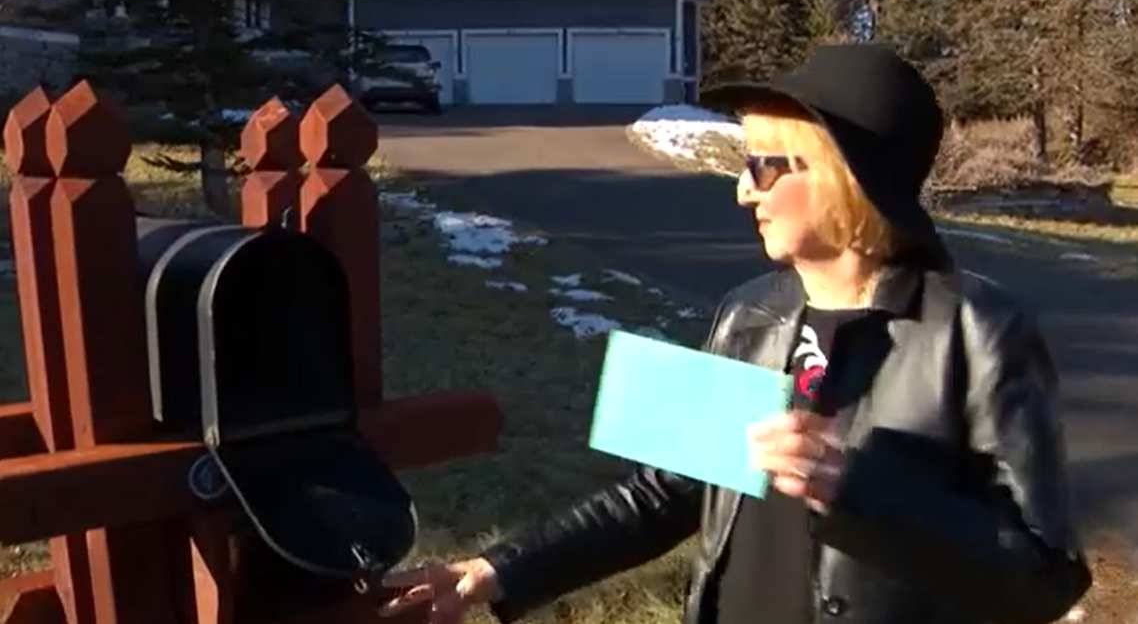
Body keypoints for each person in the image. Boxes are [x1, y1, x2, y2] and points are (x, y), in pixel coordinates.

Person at [376, 43, 1093, 624]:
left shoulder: (975, 329)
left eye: (762, 166)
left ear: (844, 176)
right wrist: (500, 569)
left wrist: (866, 486)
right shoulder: (749, 312)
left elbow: (1044, 576)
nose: (742, 190)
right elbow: (669, 491)